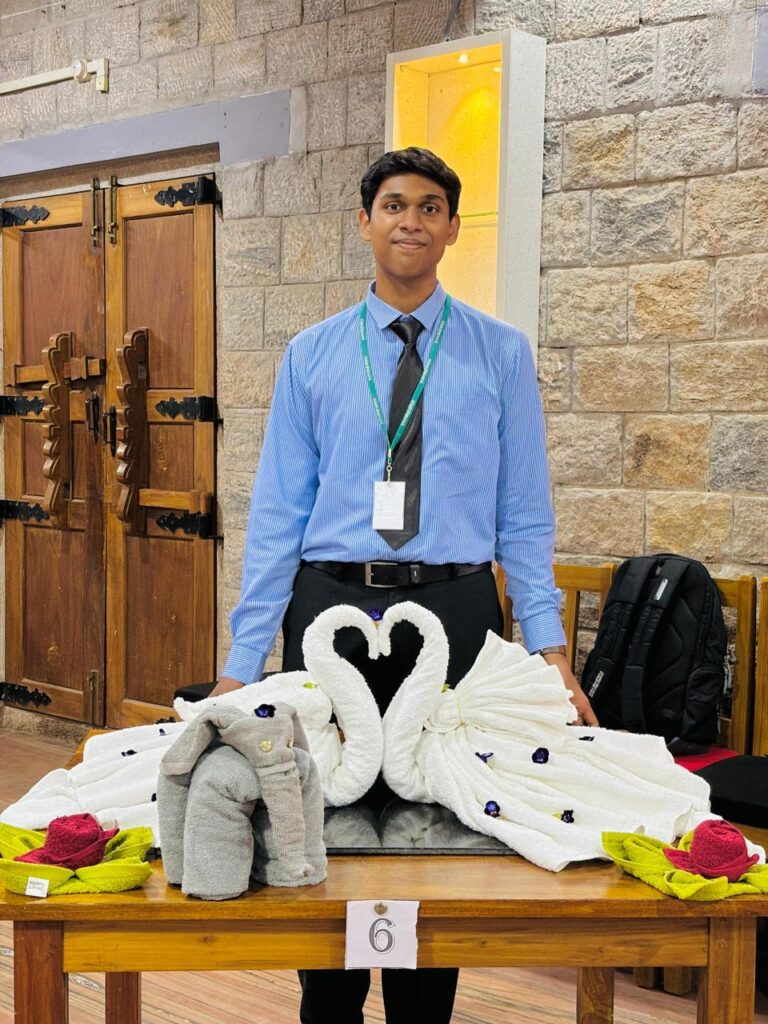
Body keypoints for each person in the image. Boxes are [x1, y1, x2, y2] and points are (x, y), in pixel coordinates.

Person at [212, 147, 597, 1024]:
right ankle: (329, 1006)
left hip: (454, 609)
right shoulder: (312, 355)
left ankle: (425, 1011)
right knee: (321, 822)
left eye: (429, 206)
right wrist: (241, 661)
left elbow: (525, 515)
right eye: (393, 204)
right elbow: (277, 516)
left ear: (452, 228)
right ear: (365, 223)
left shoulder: (501, 354)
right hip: (329, 608)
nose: (411, 220)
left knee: (443, 829)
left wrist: (547, 651)